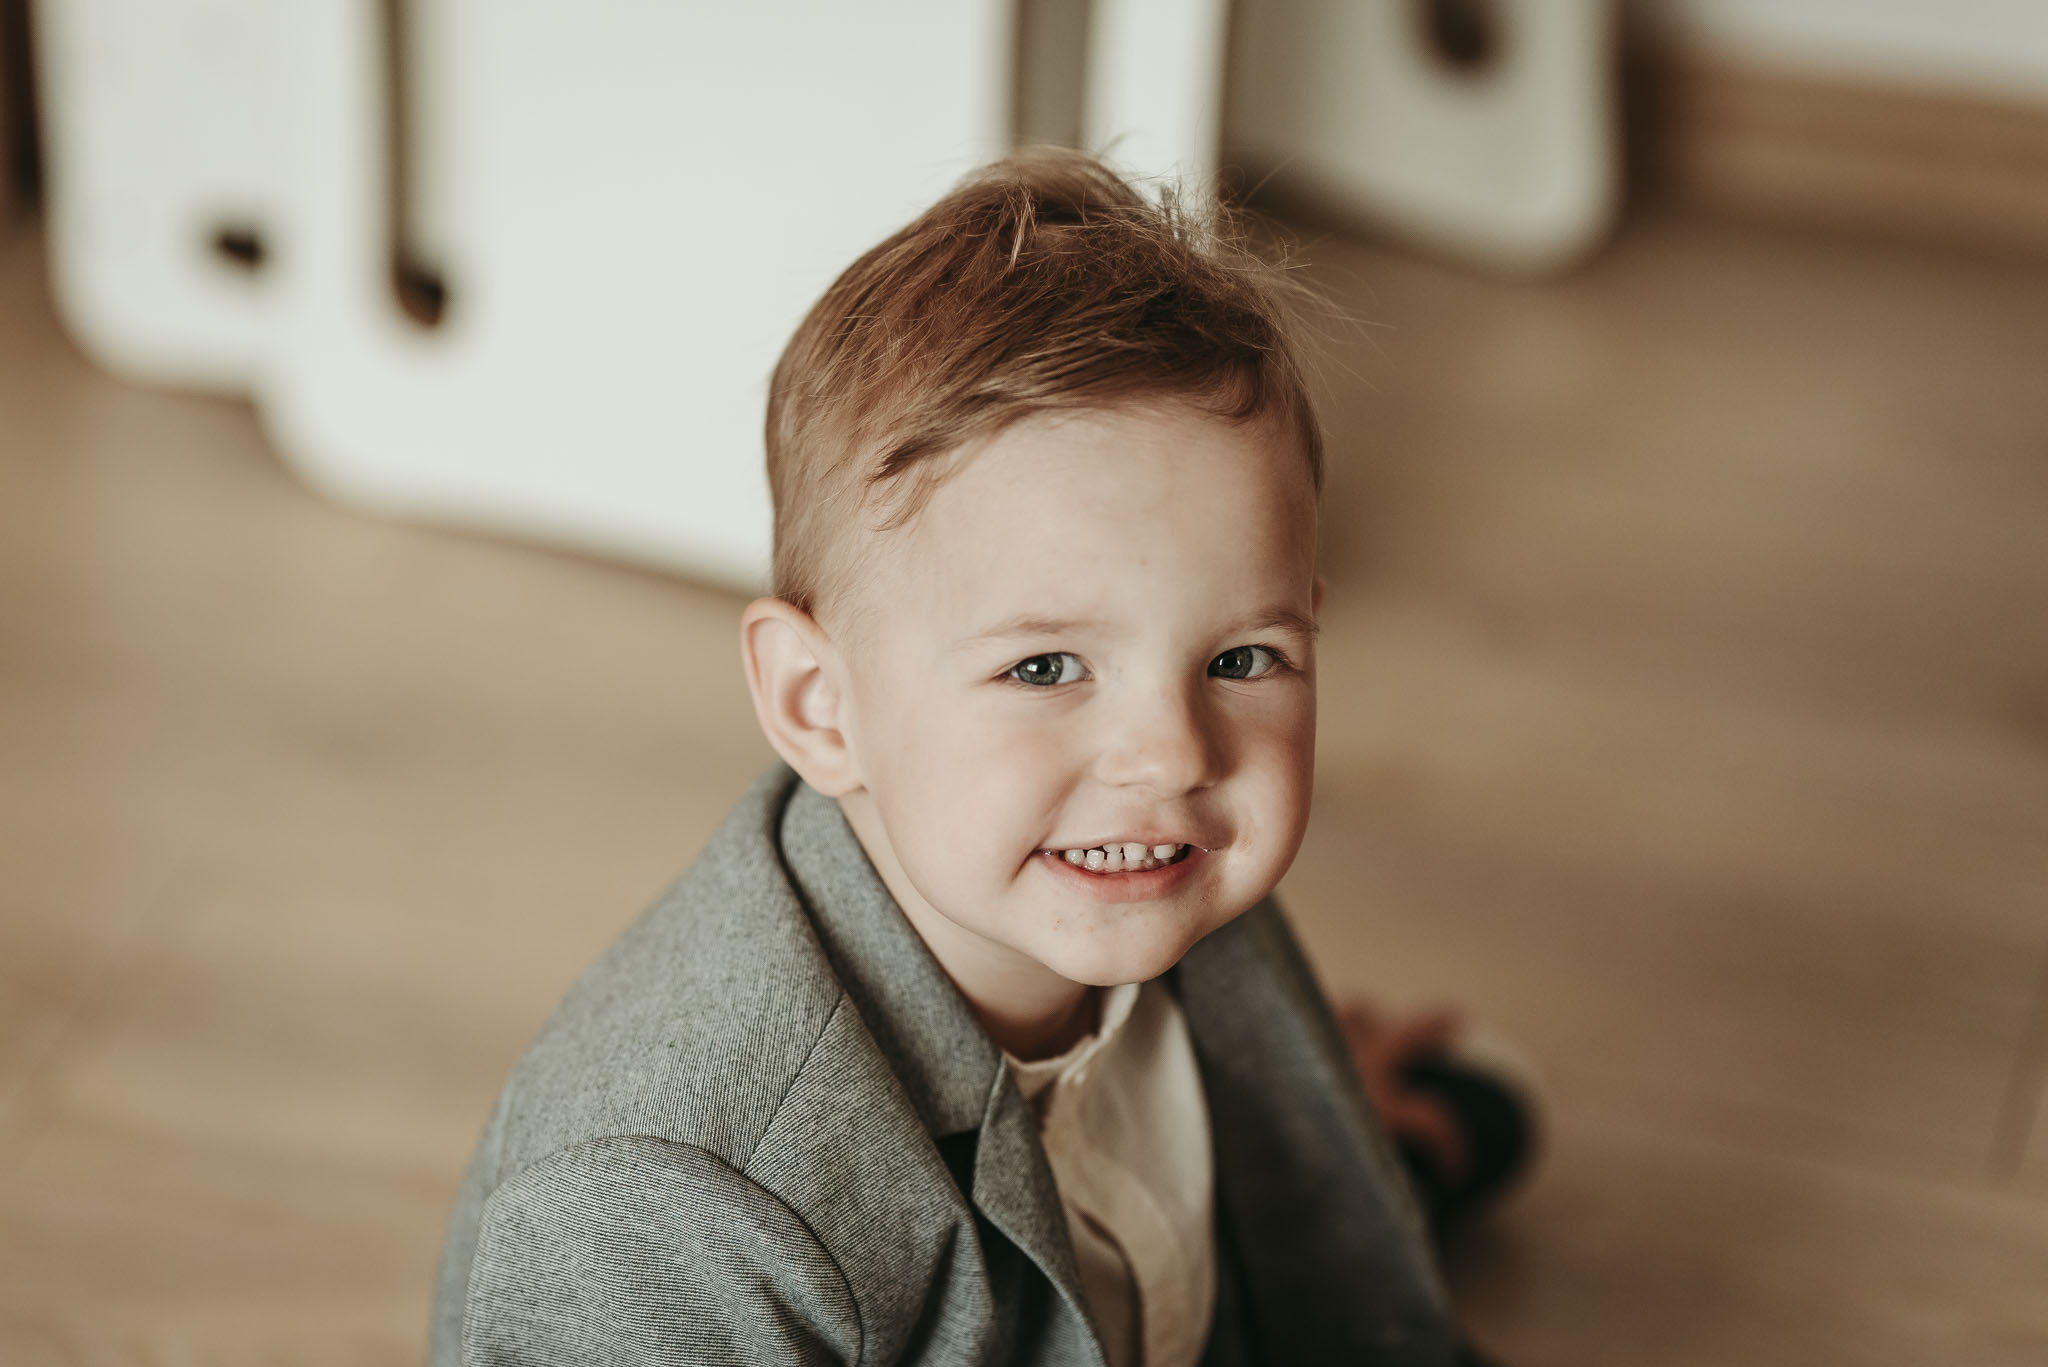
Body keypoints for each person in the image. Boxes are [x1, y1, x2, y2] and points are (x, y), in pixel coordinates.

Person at [430, 148, 1529, 1366]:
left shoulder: (1136, 862)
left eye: (1240, 657)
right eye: (1044, 667)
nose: (1170, 753)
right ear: (818, 703)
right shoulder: (671, 1215)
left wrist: (1311, 1125)